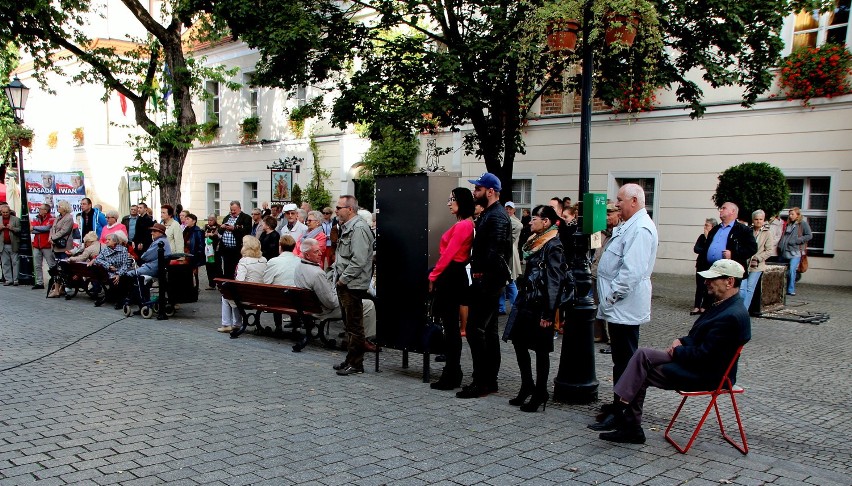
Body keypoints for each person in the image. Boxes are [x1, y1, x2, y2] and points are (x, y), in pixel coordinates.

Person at [597, 259, 751, 444]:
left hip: (708, 374)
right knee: (641, 354)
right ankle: (623, 412)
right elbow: (699, 338)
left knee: (641, 371)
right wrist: (681, 342)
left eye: (712, 279)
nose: (706, 283)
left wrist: (677, 352)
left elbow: (706, 356)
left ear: (730, 282)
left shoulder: (731, 315)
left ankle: (627, 420)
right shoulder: (724, 305)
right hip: (697, 361)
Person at [589, 183, 659, 431]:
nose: (616, 204)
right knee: (621, 361)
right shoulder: (630, 225)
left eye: (619, 200)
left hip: (624, 306)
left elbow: (632, 272)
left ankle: (625, 411)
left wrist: (610, 297)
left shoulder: (640, 228)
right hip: (619, 306)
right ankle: (619, 405)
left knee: (627, 363)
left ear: (633, 201)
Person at [503, 204, 570, 412]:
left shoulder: (553, 245)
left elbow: (554, 281)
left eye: (534, 218)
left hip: (541, 305)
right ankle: (527, 386)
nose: (530, 221)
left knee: (541, 350)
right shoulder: (534, 242)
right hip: (527, 300)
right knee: (519, 342)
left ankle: (540, 391)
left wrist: (549, 313)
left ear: (546, 222)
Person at [457, 173, 512, 399]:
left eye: (478, 188)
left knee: (475, 330)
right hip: (487, 279)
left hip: (488, 280)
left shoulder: (497, 216)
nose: (474, 192)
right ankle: (488, 380)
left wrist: (481, 277)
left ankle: (482, 381)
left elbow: (495, 252)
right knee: (487, 332)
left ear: (490, 191)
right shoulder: (491, 214)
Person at [428, 187, 475, 391]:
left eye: (452, 199)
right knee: (450, 327)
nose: (448, 203)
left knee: (451, 328)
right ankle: (452, 371)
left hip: (452, 274)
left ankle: (452, 372)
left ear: (461, 201)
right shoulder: (463, 224)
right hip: (453, 274)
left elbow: (449, 254)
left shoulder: (464, 225)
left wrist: (433, 275)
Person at [296, 238, 377, 341]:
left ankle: (352, 335)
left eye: (319, 250)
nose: (321, 253)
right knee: (367, 304)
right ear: (307, 255)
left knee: (352, 301)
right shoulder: (317, 273)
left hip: (308, 307)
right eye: (316, 252)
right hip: (321, 311)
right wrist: (338, 292)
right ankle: (362, 340)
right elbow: (331, 302)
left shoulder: (299, 266)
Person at [332, 195, 375, 376]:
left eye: (339, 208)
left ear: (350, 209)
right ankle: (351, 359)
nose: (336, 211)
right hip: (346, 282)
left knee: (355, 325)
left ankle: (356, 364)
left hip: (352, 284)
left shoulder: (358, 228)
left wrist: (343, 279)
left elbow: (358, 260)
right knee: (349, 324)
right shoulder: (348, 227)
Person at [219, 236, 267, 333]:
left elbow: (239, 281)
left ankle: (227, 324)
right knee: (234, 295)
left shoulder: (244, 261)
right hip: (260, 298)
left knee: (227, 296)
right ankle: (236, 323)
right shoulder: (264, 260)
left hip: (247, 298)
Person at [119, 223, 172, 311]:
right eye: (152, 231)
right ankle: (140, 300)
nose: (152, 233)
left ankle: (139, 301)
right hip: (155, 267)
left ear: (161, 233)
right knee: (137, 277)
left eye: (154, 231)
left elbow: (145, 256)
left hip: (153, 268)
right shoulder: (162, 241)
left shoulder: (159, 242)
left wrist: (144, 256)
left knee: (128, 275)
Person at [699, 202, 756, 280]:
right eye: (720, 208)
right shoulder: (715, 229)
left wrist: (733, 254)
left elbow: (752, 248)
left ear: (733, 211)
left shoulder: (743, 230)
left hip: (729, 273)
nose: (720, 210)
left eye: (724, 208)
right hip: (710, 270)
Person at [591, 203, 621, 345]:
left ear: (618, 214)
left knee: (611, 305)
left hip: (611, 275)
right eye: (605, 214)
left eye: (609, 214)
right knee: (596, 304)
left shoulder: (621, 231)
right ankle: (598, 334)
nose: (606, 217)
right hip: (596, 272)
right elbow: (593, 250)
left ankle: (612, 336)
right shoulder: (599, 230)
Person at [740, 210, 775, 310]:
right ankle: (740, 308)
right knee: (742, 288)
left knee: (750, 288)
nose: (758, 221)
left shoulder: (767, 233)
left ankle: (744, 310)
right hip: (745, 263)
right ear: (752, 220)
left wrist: (758, 258)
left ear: (764, 220)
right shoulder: (748, 231)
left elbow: (769, 250)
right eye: (756, 219)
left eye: (761, 219)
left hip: (757, 265)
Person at [90, 231, 134, 307]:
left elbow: (125, 264)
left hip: (121, 272)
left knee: (121, 279)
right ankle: (118, 300)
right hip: (110, 273)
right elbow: (98, 259)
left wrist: (118, 274)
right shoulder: (105, 250)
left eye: (109, 240)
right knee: (113, 280)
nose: (106, 241)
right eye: (106, 239)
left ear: (115, 241)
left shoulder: (123, 250)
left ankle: (120, 301)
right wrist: (108, 266)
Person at [777, 207, 812, 296]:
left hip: (795, 252)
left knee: (792, 270)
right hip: (784, 252)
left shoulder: (802, 224)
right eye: (789, 214)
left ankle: (791, 290)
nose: (790, 216)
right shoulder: (788, 224)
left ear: (797, 215)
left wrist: (797, 240)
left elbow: (809, 235)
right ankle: (781, 289)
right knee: (782, 271)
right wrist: (780, 245)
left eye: (792, 214)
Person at [499, 201, 523, 316]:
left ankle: (515, 305)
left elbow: (519, 226)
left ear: (513, 210)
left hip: (509, 254)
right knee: (505, 281)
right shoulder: (511, 220)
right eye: (506, 208)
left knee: (510, 280)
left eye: (510, 208)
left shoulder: (513, 221)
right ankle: (503, 306)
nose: (508, 210)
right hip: (508, 253)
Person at [218, 201, 252, 279]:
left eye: (234, 210)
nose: (232, 212)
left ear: (239, 208)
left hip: (237, 249)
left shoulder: (246, 218)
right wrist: (222, 227)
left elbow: (247, 231)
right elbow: (220, 232)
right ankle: (227, 286)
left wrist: (234, 228)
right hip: (226, 249)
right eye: (231, 210)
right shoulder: (227, 217)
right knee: (227, 270)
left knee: (237, 270)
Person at [48, 200, 75, 297]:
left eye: (59, 206)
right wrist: (50, 237)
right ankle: (57, 289)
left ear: (64, 207)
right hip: (56, 246)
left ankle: (62, 288)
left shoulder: (69, 218)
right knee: (57, 269)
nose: (58, 208)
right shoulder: (58, 217)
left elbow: (64, 231)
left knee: (64, 268)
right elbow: (52, 228)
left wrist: (53, 237)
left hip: (64, 246)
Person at [692, 218, 718, 315]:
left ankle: (705, 306)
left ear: (712, 227)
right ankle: (696, 306)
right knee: (699, 286)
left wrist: (707, 241)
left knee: (709, 286)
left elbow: (712, 251)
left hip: (710, 266)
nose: (705, 227)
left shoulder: (715, 238)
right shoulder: (701, 237)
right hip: (701, 265)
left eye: (707, 225)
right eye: (705, 225)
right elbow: (696, 249)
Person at [30, 203, 55, 290]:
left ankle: (55, 282)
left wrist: (35, 228)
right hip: (37, 245)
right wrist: (39, 229)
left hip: (47, 245)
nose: (39, 210)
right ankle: (39, 282)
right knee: (37, 265)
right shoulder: (36, 218)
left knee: (51, 264)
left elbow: (47, 228)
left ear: (46, 210)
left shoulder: (51, 218)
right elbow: (32, 230)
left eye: (41, 209)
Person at [0, 204, 21, 286]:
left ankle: (16, 280)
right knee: (5, 263)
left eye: (6, 212)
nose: (5, 214)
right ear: (1, 212)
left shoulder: (16, 219)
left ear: (9, 212)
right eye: (3, 212)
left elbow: (20, 230)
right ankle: (8, 279)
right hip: (2, 244)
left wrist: (12, 228)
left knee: (15, 262)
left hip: (13, 244)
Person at [203, 214, 222, 289]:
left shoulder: (219, 227)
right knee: (209, 267)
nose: (209, 222)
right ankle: (211, 284)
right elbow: (203, 234)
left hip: (215, 250)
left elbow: (218, 236)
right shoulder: (206, 227)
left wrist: (211, 235)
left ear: (215, 220)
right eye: (208, 220)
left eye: (211, 220)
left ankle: (220, 284)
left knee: (217, 267)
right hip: (208, 250)